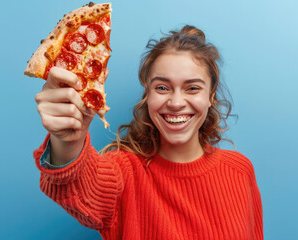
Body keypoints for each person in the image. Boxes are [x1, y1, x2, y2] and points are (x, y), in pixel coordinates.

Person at [34, 25, 263, 239]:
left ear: (210, 95)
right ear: (148, 94)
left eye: (192, 88)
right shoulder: (124, 172)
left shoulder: (240, 170)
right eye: (162, 88)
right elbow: (79, 185)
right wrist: (67, 141)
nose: (175, 102)